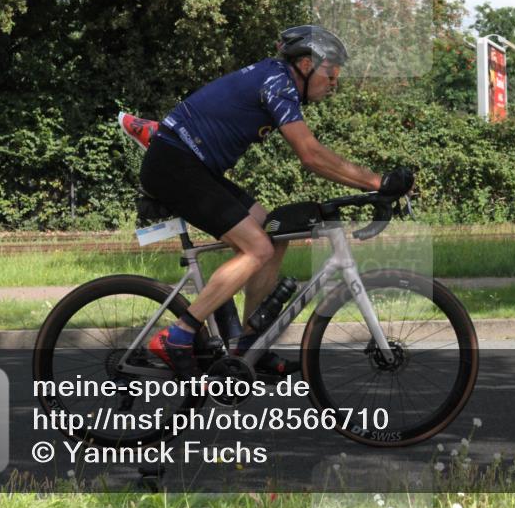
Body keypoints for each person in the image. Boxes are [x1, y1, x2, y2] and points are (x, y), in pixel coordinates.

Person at [139, 25, 414, 378]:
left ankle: (250, 345)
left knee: (273, 232)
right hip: (176, 163)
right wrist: (378, 182)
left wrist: (372, 185)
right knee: (258, 248)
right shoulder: (277, 83)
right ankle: (179, 334)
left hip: (193, 166)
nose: (334, 84)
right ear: (304, 64)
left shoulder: (277, 80)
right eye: (330, 74)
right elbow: (311, 155)